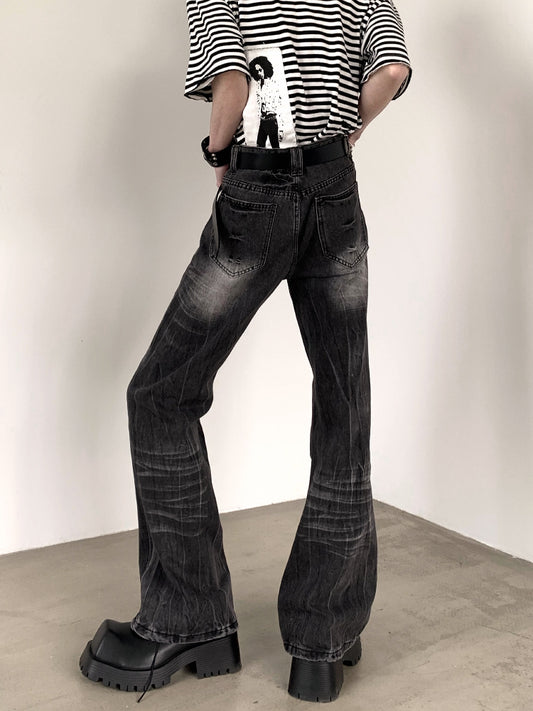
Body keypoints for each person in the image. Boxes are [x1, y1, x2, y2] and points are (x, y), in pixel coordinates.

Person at [79, 0, 412, 703]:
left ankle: (187, 618)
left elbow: (232, 80)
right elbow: (390, 69)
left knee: (160, 395)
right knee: (344, 403)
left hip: (258, 190)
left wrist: (217, 155)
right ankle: (322, 641)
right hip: (336, 192)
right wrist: (346, 134)